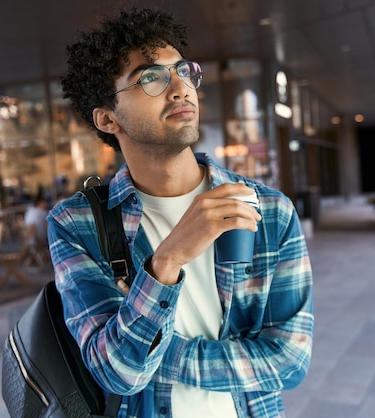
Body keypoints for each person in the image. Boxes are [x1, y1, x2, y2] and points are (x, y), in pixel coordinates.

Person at [47, 7, 313, 418]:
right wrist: (167, 260)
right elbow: (118, 375)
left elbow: (290, 361)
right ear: (107, 118)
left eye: (183, 71)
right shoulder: (77, 224)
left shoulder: (269, 211)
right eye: (150, 77)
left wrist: (162, 356)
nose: (180, 88)